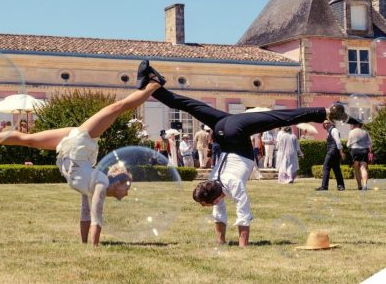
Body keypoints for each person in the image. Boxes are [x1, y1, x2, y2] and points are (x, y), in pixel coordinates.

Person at [0, 70, 164, 246]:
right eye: (127, 186)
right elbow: (93, 216)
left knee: (29, 138)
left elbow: (90, 215)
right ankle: (154, 83)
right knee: (117, 107)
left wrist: (88, 246)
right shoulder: (97, 182)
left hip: (77, 146)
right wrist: (90, 246)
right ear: (116, 183)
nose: (127, 192)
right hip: (77, 146)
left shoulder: (95, 183)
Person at [136, 59, 332, 247]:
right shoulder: (215, 183)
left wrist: (242, 246)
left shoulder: (228, 186)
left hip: (234, 132)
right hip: (224, 127)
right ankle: (153, 82)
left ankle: (323, 112)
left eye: (206, 204)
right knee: (188, 105)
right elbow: (228, 212)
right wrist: (222, 242)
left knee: (277, 118)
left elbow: (243, 213)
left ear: (215, 198)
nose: (206, 207)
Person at [316, 120, 346, 191]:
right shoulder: (330, 131)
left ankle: (324, 187)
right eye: (325, 123)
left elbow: (338, 141)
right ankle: (341, 186)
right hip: (334, 152)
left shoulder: (334, 130)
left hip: (332, 151)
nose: (326, 125)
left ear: (331, 123)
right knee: (336, 169)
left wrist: (341, 152)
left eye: (327, 123)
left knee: (326, 168)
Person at [347, 120, 372, 190]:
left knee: (356, 169)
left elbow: (348, 144)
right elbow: (370, 143)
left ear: (355, 124)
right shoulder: (365, 132)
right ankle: (365, 185)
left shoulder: (351, 132)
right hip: (364, 150)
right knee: (363, 168)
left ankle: (359, 186)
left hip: (354, 151)